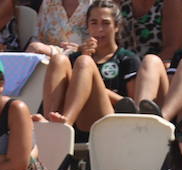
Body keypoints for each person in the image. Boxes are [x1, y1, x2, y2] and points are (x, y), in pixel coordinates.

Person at [41, 0, 154, 132]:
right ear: (87, 26)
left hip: (108, 122)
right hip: (78, 121)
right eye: (94, 23)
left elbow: (131, 106)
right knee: (58, 60)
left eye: (106, 23)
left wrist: (93, 86)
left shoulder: (127, 59)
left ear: (116, 27)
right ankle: (48, 122)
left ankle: (65, 125)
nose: (99, 29)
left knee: (84, 63)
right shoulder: (76, 58)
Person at [118, 0, 182, 63]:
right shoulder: (117, 3)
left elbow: (173, 48)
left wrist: (142, 70)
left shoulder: (173, 2)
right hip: (124, 66)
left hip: (161, 65)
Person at [26, 0, 91, 58]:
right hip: (47, 61)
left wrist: (79, 50)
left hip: (81, 60)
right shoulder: (48, 2)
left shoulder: (94, 3)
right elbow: (37, 38)